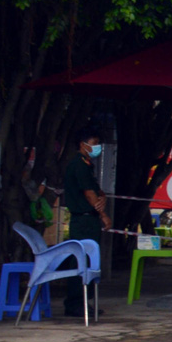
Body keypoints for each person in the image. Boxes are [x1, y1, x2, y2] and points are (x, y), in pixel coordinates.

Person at [62, 127, 110, 318]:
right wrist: (103, 214)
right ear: (83, 145)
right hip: (83, 220)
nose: (97, 147)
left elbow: (98, 192)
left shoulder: (87, 165)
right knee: (80, 260)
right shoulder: (79, 165)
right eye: (94, 143)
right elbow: (89, 194)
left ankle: (84, 301)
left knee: (90, 261)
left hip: (89, 220)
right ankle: (74, 302)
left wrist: (101, 199)